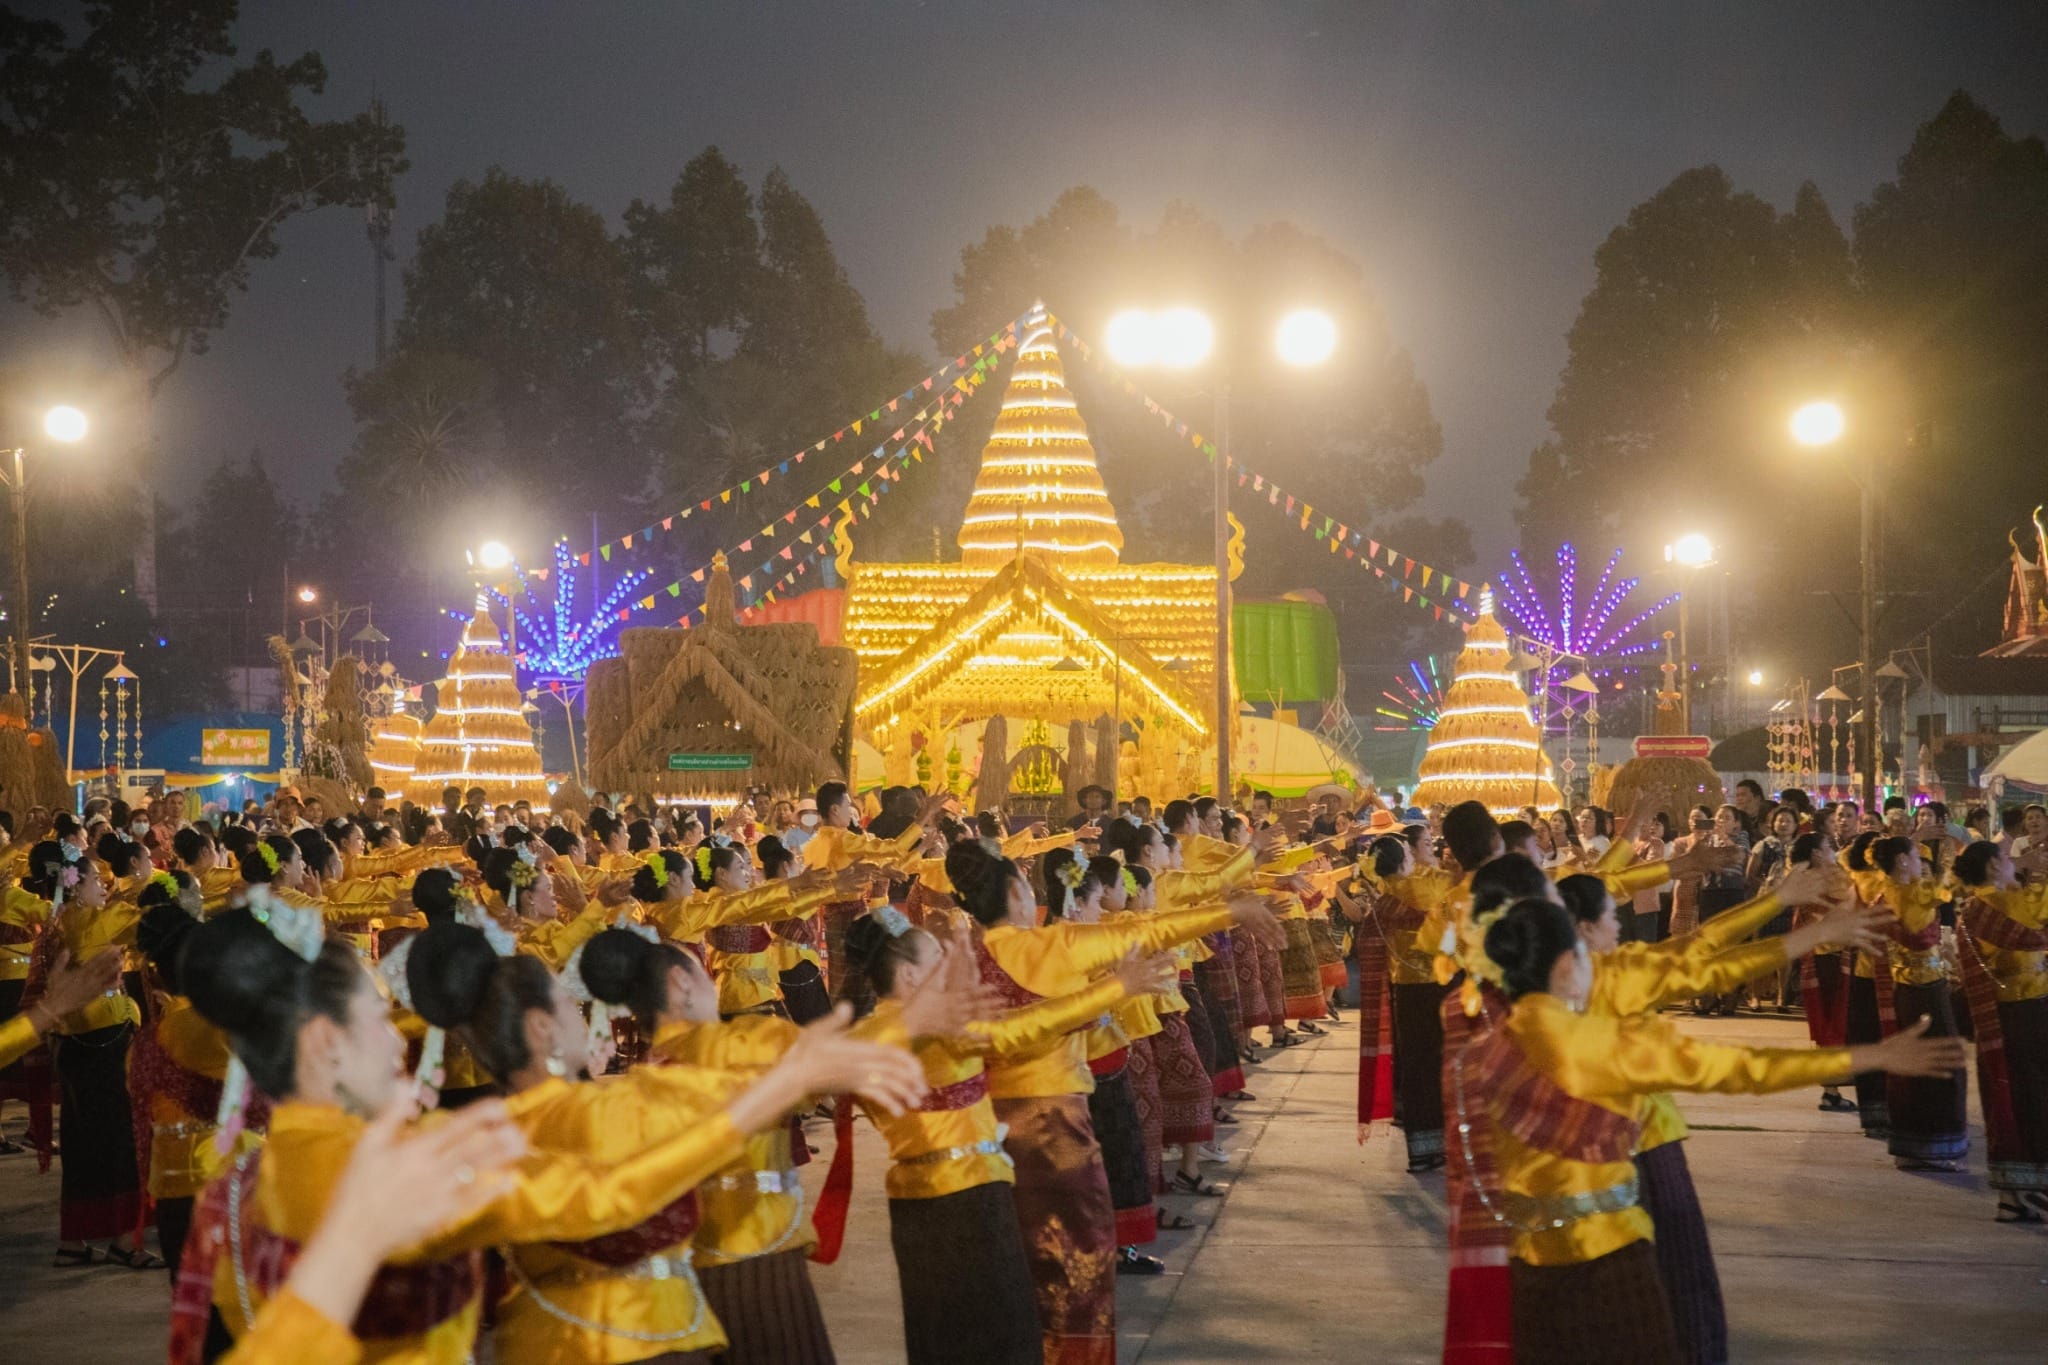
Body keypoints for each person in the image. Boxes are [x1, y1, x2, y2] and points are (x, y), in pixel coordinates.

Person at [1465, 896, 1966, 1365]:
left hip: (1527, 1263)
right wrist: (1870, 1057)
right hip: (1607, 1259)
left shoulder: (1486, 1050)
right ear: (1564, 961)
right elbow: (1737, 1067)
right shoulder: (1600, 1043)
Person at [1950, 840, 2048, 1222]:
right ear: (1992, 866)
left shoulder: (1976, 906)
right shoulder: (1999, 903)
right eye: (2005, 859)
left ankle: (2012, 1196)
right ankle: (2032, 1185)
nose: (2011, 864)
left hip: (2008, 1011)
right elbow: (2034, 932)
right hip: (2023, 1011)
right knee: (2031, 1095)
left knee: (2007, 1094)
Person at [1869, 836, 1969, 1170]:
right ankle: (1931, 1148)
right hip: (1923, 990)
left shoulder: (1889, 893)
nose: (1920, 863)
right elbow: (1941, 895)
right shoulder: (1905, 894)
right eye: (1915, 857)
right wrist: (1954, 867)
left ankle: (1913, 1147)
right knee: (1940, 1067)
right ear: (1901, 861)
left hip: (1909, 989)